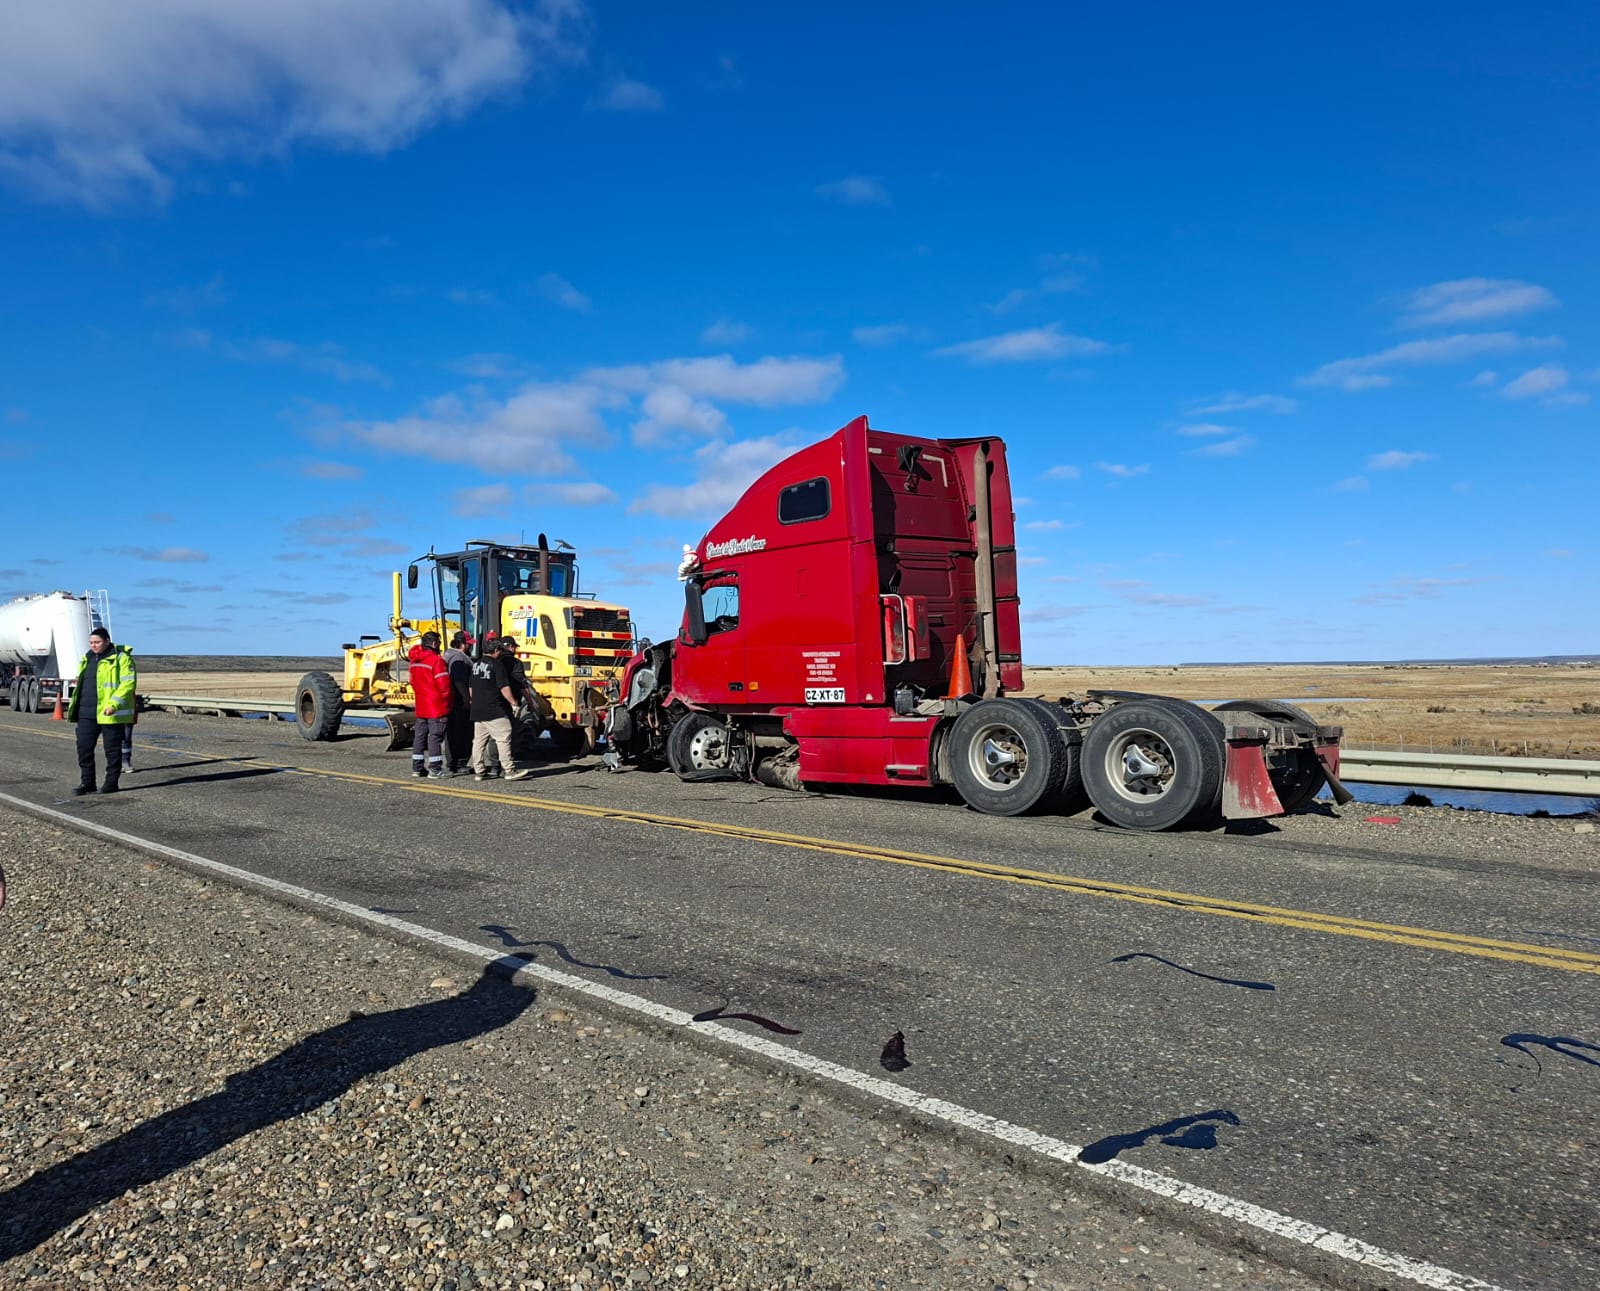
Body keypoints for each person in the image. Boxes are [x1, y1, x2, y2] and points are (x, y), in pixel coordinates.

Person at [67, 627, 136, 795]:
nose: (93, 645)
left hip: (109, 713)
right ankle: (87, 783)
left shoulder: (121, 659)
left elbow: (127, 684)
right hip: (86, 712)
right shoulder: (87, 658)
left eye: (97, 642)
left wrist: (114, 704)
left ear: (107, 641)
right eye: (91, 642)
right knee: (83, 749)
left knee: (111, 750)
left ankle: (111, 783)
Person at [469, 636, 531, 783]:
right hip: (494, 709)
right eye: (500, 651)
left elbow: (471, 688)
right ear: (496, 650)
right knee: (504, 737)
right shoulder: (497, 666)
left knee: (478, 742)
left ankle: (479, 771)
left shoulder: (475, 665)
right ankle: (509, 770)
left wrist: (474, 702)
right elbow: (504, 687)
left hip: (477, 710)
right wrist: (514, 703)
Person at [406, 630, 452, 779]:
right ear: (434, 644)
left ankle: (417, 768)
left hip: (421, 704)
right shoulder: (436, 661)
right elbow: (444, 686)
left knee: (419, 736)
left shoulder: (414, 661)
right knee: (435, 737)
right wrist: (447, 702)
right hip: (436, 706)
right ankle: (435, 769)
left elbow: (412, 682)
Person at [441, 630, 474, 776]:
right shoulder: (459, 657)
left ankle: (451, 762)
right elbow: (459, 681)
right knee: (463, 732)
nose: (470, 647)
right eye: (468, 644)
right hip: (459, 701)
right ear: (462, 644)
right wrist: (467, 698)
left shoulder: (447, 655)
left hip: (449, 700)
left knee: (451, 733)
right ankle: (459, 763)